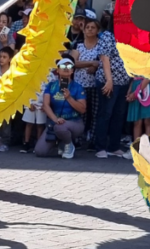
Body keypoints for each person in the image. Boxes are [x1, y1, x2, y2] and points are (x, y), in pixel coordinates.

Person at [92, 23, 132, 159]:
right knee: (105, 113)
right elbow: (104, 58)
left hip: (124, 82)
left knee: (119, 114)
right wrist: (109, 80)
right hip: (108, 81)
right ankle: (100, 147)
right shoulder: (108, 36)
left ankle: (114, 147)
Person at [35, 56, 86, 159]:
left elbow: (83, 109)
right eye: (63, 66)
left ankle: (69, 145)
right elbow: (46, 105)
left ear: (72, 70)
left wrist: (69, 98)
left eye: (69, 66)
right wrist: (55, 119)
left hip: (74, 122)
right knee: (40, 151)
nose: (66, 68)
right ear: (57, 70)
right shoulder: (51, 85)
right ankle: (61, 144)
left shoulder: (78, 87)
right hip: (56, 122)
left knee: (61, 127)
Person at [72, 15, 102, 143]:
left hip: (95, 85)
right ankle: (78, 138)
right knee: (81, 112)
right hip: (80, 85)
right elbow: (74, 63)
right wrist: (92, 63)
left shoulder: (101, 45)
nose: (90, 29)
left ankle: (93, 140)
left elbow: (103, 62)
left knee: (95, 113)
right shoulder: (79, 45)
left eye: (93, 27)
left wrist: (96, 66)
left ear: (97, 30)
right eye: (87, 27)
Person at [126, 76, 150, 140]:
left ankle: (147, 147)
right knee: (137, 121)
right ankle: (136, 147)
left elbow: (149, 76)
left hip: (148, 87)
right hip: (135, 85)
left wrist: (135, 93)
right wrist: (130, 88)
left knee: (148, 121)